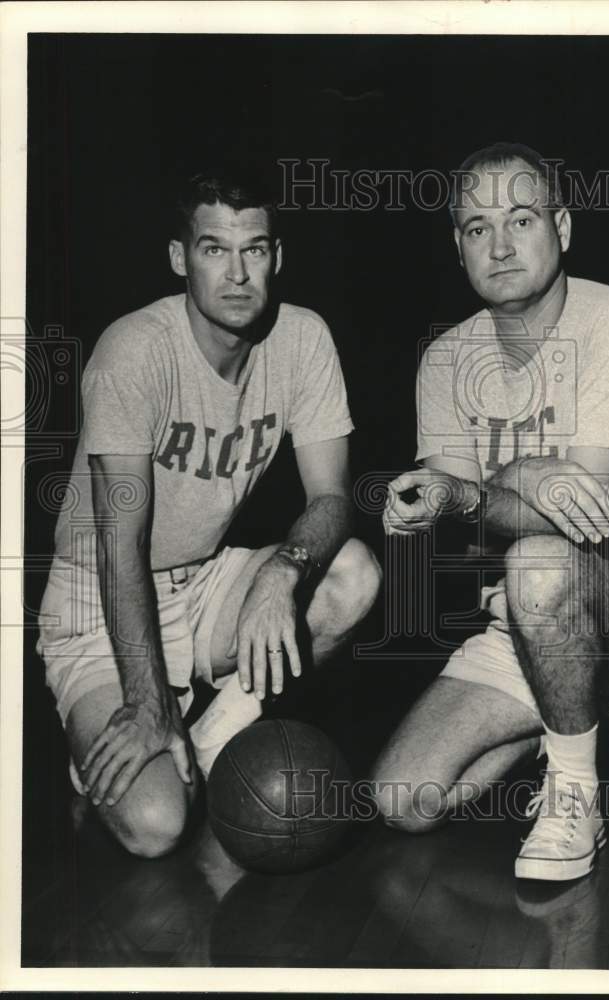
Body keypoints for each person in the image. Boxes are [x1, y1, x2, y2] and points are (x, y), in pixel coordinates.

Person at [375, 143, 609, 881]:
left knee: (539, 560)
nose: (499, 246)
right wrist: (451, 498)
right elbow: (455, 510)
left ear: (562, 225)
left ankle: (576, 788)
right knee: (403, 797)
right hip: (533, 611)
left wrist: (490, 483)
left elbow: (581, 519)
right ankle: (584, 716)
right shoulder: (444, 359)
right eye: (476, 228)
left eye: (521, 219)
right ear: (457, 245)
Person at [36, 169, 382, 858]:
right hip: (98, 604)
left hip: (204, 583)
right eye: (213, 248)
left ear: (277, 258)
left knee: (353, 575)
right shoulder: (133, 351)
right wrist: (145, 701)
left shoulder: (304, 339)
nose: (236, 273)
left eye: (254, 248)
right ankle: (121, 733)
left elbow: (331, 499)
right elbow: (119, 547)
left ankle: (210, 737)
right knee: (158, 827)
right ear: (178, 258)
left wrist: (282, 574)